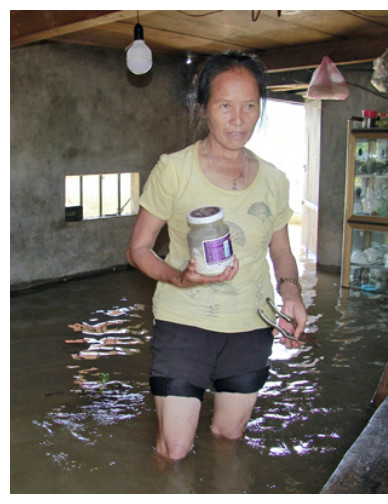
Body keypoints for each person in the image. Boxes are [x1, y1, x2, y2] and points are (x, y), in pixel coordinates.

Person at [127, 51, 308, 460]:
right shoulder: (174, 170)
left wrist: (292, 295)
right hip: (183, 323)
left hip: (250, 324)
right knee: (174, 449)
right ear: (204, 107)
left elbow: (281, 250)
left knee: (228, 437)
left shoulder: (275, 180)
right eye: (225, 105)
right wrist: (178, 276)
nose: (238, 119)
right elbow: (138, 249)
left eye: (250, 106)